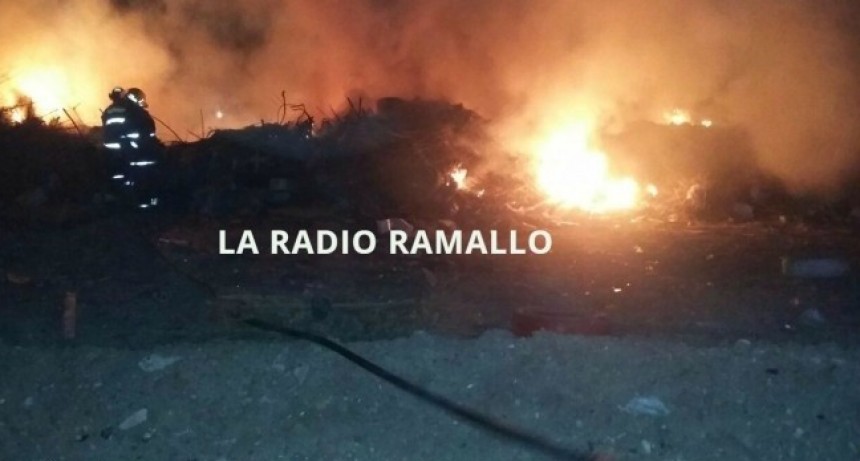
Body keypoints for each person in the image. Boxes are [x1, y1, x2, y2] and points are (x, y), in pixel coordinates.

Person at [101, 87, 163, 210]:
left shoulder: (108, 110)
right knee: (141, 170)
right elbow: (148, 131)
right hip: (129, 147)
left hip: (110, 148)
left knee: (117, 175)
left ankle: (116, 200)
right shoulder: (135, 110)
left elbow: (107, 128)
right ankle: (143, 203)